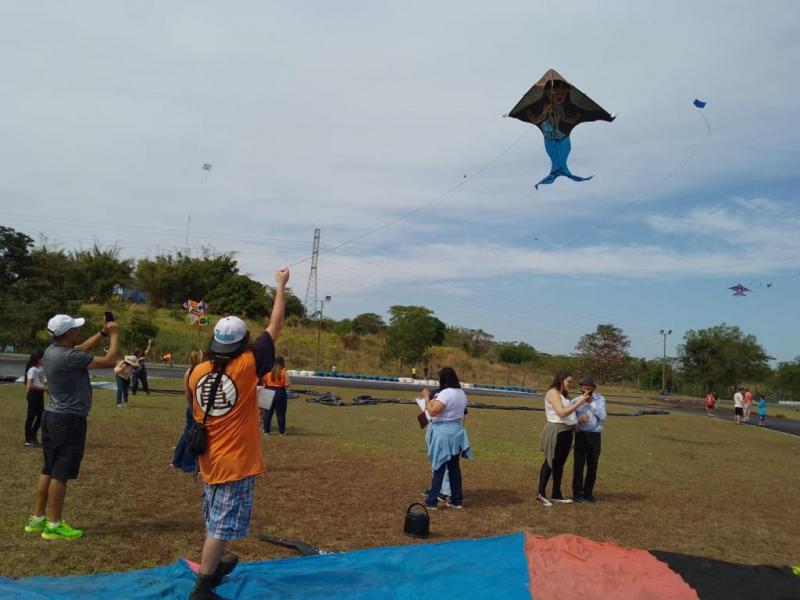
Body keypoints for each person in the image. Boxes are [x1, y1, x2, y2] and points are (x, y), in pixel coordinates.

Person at [187, 268, 289, 600]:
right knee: (219, 525)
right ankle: (203, 588)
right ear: (243, 342)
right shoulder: (247, 365)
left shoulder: (197, 371)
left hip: (208, 458)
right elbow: (275, 326)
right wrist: (280, 286)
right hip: (235, 460)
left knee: (214, 516)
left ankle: (213, 566)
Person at [23, 313, 119, 541]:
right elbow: (110, 361)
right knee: (61, 473)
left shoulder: (52, 351)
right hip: (68, 420)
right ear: (68, 335)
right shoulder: (69, 357)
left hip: (53, 416)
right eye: (75, 329)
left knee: (48, 468)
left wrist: (102, 333)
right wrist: (114, 336)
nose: (78, 332)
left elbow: (81, 349)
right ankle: (55, 524)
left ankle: (38, 518)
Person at [421, 367, 472, 510]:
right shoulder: (462, 393)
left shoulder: (446, 393)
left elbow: (433, 411)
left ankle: (431, 501)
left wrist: (426, 397)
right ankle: (456, 500)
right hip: (457, 432)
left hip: (444, 433)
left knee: (439, 466)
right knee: (454, 468)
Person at [537, 371, 588, 507]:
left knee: (559, 464)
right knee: (550, 461)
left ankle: (556, 493)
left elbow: (567, 416)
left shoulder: (564, 395)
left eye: (572, 382)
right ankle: (541, 494)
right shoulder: (552, 393)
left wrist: (578, 420)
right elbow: (561, 413)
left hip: (566, 432)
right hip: (556, 431)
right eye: (569, 382)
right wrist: (580, 402)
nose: (571, 385)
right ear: (561, 381)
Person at [572, 376, 606, 503]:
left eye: (588, 386)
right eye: (583, 386)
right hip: (581, 434)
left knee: (592, 465)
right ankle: (577, 493)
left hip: (595, 435)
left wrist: (591, 402)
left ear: (593, 387)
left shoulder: (600, 399)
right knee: (578, 465)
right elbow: (570, 419)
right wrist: (578, 421)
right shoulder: (575, 400)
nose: (585, 388)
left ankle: (588, 493)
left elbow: (603, 416)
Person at [171, 349, 205, 472]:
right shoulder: (200, 372)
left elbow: (187, 392)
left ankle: (177, 460)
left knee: (186, 434)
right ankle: (189, 464)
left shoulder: (189, 371)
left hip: (191, 406)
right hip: (197, 408)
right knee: (194, 436)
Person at [263, 356, 291, 435]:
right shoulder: (283, 372)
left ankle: (266, 431)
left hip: (268, 390)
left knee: (267, 413)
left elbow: (263, 381)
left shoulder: (269, 372)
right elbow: (288, 383)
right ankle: (281, 432)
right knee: (280, 413)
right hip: (280, 392)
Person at [24, 351, 47, 447]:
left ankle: (33, 435)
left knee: (41, 417)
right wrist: (45, 389)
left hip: (39, 395)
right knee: (31, 417)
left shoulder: (40, 369)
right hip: (33, 395)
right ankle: (28, 440)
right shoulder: (32, 370)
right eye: (43, 358)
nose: (44, 360)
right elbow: (29, 385)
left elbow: (43, 381)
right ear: (38, 359)